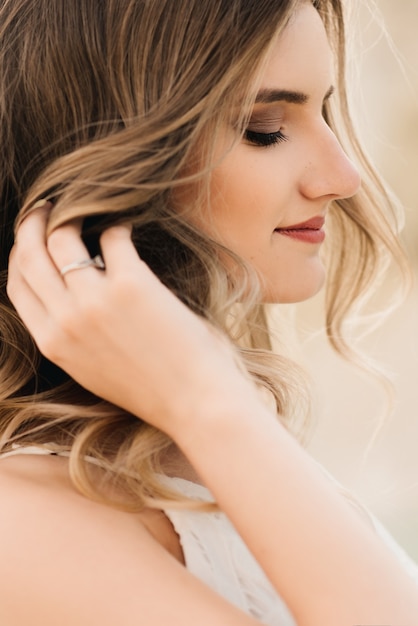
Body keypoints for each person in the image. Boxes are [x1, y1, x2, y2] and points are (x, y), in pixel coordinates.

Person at [0, 0, 417, 624]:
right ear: (106, 163)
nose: (344, 176)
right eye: (266, 127)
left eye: (324, 110)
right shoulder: (22, 528)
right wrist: (206, 398)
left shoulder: (220, 448)